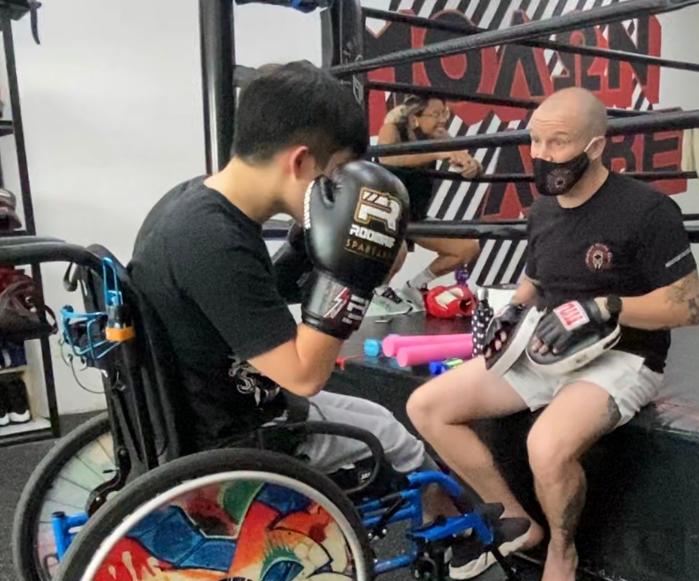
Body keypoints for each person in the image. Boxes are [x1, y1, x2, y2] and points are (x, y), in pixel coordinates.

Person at [407, 87, 699, 581]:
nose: (542, 153)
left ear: (594, 146)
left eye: (557, 141)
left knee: (545, 446)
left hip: (623, 356)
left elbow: (690, 308)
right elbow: (536, 278)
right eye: (536, 140)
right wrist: (507, 310)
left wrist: (609, 307)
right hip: (546, 344)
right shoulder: (544, 209)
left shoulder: (648, 210)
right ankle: (519, 523)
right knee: (427, 406)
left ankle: (561, 554)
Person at [128, 61, 463, 527]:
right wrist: (352, 277)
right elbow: (304, 377)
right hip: (237, 431)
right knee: (392, 434)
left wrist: (306, 251)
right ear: (301, 161)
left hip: (218, 396)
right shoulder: (212, 241)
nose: (340, 192)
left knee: (370, 410)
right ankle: (453, 537)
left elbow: (247, 300)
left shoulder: (192, 204)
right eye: (337, 176)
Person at [373, 94, 482, 314]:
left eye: (445, 114)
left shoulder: (439, 135)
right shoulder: (392, 129)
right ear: (415, 117)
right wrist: (438, 152)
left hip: (415, 216)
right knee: (398, 249)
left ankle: (415, 285)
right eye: (436, 114)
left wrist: (472, 167)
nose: (442, 120)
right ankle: (378, 290)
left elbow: (464, 158)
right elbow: (388, 159)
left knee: (468, 247)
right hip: (385, 215)